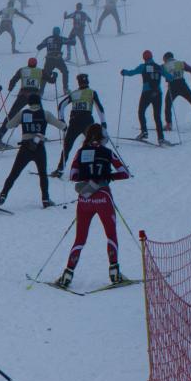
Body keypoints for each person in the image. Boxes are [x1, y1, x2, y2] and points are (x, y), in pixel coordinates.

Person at [54, 123, 131, 289]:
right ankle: (115, 274)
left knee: (80, 238)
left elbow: (73, 176)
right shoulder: (107, 152)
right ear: (102, 137)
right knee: (111, 235)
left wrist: (87, 177)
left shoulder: (81, 152)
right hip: (103, 197)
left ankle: (67, 275)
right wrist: (108, 176)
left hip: (85, 198)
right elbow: (125, 173)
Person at [0, 98, 65, 208]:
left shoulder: (23, 113)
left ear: (29, 103)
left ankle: (2, 196)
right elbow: (61, 126)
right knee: (43, 174)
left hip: (25, 148)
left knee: (14, 173)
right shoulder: (45, 114)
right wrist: (64, 125)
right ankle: (45, 199)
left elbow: (9, 125)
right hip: (39, 148)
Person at [52, 73, 106, 177]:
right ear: (87, 82)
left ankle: (60, 169)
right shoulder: (92, 92)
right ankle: (102, 166)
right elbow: (100, 108)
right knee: (95, 143)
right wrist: (103, 122)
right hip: (87, 121)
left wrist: (62, 120)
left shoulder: (74, 93)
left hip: (75, 122)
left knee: (67, 146)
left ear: (79, 82)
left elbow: (61, 106)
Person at [121, 51, 166, 142]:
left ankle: (144, 132)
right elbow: (169, 77)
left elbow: (131, 73)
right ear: (152, 57)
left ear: (144, 58)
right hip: (158, 93)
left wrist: (124, 72)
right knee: (157, 116)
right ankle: (161, 138)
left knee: (141, 112)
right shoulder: (159, 67)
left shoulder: (143, 67)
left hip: (147, 93)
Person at [160, 52, 191, 126]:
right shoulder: (180, 63)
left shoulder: (163, 66)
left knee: (168, 104)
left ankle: (169, 124)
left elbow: (156, 74)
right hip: (182, 85)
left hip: (172, 86)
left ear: (166, 58)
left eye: (164, 59)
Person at [5, 57, 52, 122]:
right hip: (34, 96)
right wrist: (55, 76)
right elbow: (51, 80)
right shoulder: (40, 71)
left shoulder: (22, 70)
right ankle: (39, 127)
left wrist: (10, 87)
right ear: (36, 63)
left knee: (13, 112)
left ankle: (3, 129)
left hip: (23, 95)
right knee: (40, 114)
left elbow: (14, 79)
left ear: (28, 63)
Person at [36, 27, 74, 94]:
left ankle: (41, 91)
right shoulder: (61, 38)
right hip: (58, 59)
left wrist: (41, 46)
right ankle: (65, 89)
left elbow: (39, 47)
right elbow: (72, 42)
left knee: (45, 74)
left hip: (49, 59)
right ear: (59, 32)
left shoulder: (48, 39)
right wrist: (73, 39)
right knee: (65, 72)